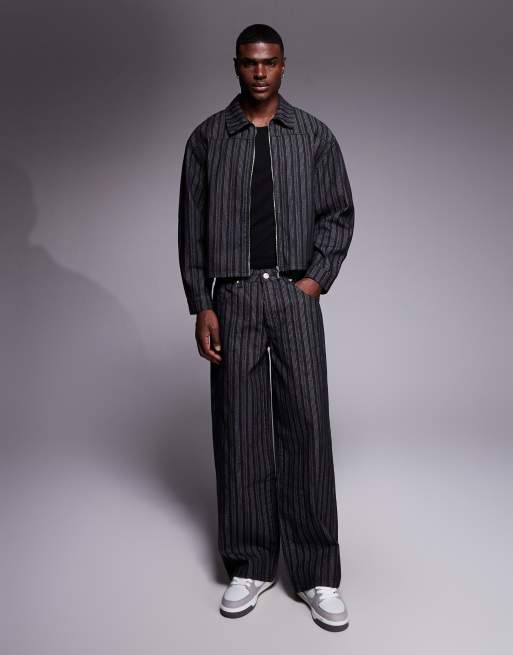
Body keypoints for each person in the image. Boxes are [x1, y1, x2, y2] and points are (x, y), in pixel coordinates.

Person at [178, 23, 355, 632]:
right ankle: (251, 563)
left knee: (308, 425)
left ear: (283, 65)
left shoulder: (313, 135)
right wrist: (202, 303)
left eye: (270, 62)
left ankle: (317, 573)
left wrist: (314, 282)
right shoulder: (208, 139)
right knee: (241, 428)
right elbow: (191, 228)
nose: (259, 72)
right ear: (236, 66)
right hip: (233, 298)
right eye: (250, 63)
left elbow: (338, 214)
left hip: (293, 292)